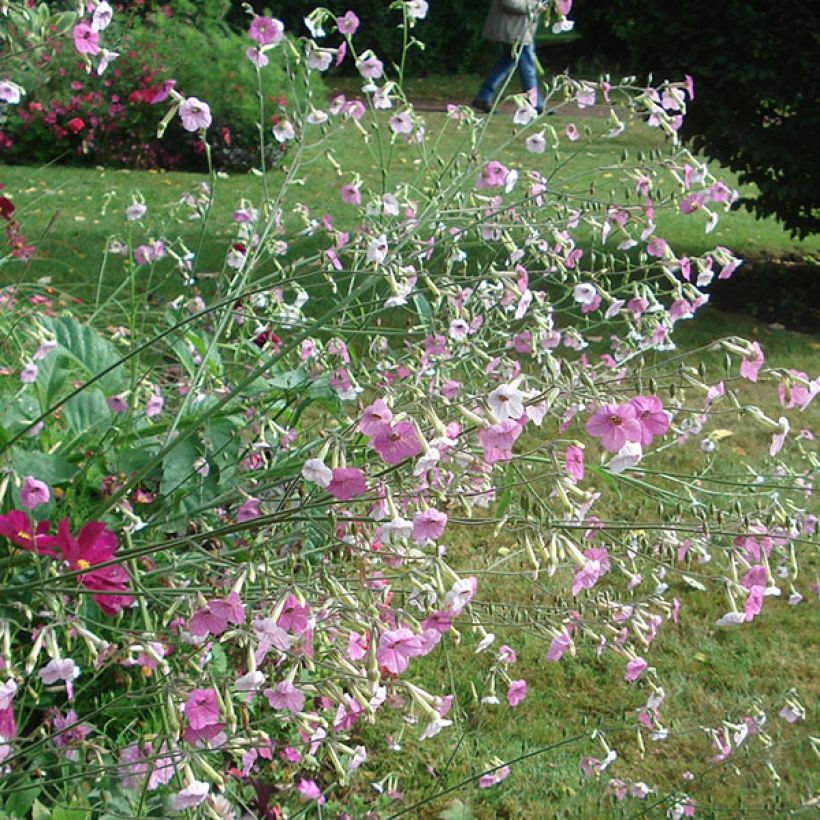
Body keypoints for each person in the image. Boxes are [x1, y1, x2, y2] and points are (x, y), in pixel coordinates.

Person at [472, 0, 544, 114]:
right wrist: (534, 5)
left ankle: (483, 96)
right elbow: (510, 3)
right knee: (527, 65)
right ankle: (534, 103)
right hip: (515, 30)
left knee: (506, 62)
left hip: (519, 29)